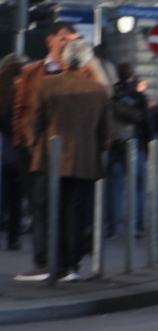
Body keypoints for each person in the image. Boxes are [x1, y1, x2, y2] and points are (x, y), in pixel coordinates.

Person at [29, 38, 110, 282]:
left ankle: (57, 261)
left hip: (52, 158)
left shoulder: (47, 85)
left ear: (63, 60)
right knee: (77, 211)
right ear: (85, 61)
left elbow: (35, 121)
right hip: (84, 159)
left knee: (53, 209)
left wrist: (36, 146)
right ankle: (72, 264)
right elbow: (105, 132)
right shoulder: (97, 91)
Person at [12, 21, 81, 281]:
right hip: (35, 151)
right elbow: (20, 110)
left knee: (68, 208)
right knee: (39, 207)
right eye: (63, 39)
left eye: (72, 40)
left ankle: (67, 263)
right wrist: (25, 142)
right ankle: (43, 261)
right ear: (50, 41)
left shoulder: (81, 72)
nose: (68, 45)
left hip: (68, 152)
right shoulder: (32, 72)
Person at [106, 63, 152, 239]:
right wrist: (149, 142)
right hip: (136, 143)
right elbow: (147, 121)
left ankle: (114, 228)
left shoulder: (112, 93)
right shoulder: (137, 96)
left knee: (115, 186)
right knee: (138, 186)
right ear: (131, 76)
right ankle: (137, 225)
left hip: (116, 144)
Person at [0, 52, 27, 250]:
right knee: (16, 196)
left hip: (3, 145)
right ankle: (14, 238)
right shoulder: (22, 88)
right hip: (17, 148)